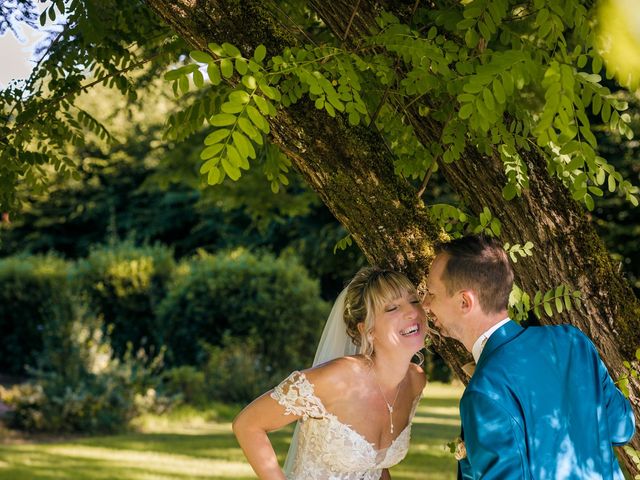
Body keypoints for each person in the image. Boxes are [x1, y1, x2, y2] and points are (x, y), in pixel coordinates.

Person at [422, 234, 636, 479]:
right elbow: (622, 427)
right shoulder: (571, 341)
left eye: (431, 293)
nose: (426, 304)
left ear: (464, 301)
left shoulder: (485, 391)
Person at [233, 267, 431, 479]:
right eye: (392, 308)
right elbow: (247, 425)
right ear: (368, 330)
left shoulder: (415, 380)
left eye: (414, 301)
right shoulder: (335, 379)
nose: (412, 312)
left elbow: (375, 466)